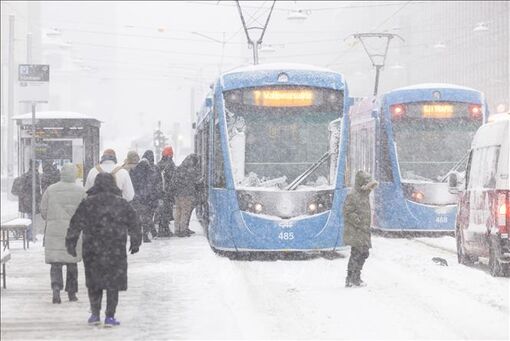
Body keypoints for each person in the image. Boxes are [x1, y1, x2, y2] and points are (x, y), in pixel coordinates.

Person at [66, 173, 142, 327]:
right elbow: (134, 223)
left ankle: (95, 314)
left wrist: (71, 242)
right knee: (112, 284)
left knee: (94, 282)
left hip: (92, 249)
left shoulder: (87, 203)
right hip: (115, 249)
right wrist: (135, 242)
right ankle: (110, 316)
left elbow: (75, 224)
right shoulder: (121, 203)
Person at [40, 164, 86, 304]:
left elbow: (43, 210)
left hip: (54, 231)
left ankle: (56, 288)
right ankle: (71, 293)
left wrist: (53, 219)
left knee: (56, 262)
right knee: (72, 263)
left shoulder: (51, 189)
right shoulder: (81, 190)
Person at [343, 170, 378, 288]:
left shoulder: (365, 195)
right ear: (361, 183)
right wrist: (358, 221)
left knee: (364, 253)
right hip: (355, 230)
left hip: (363, 229)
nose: (369, 188)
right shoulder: (352, 195)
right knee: (356, 253)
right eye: (367, 184)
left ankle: (355, 277)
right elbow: (347, 212)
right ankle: (351, 278)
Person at [129, 150, 162, 242]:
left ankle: (148, 233)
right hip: (149, 197)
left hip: (138, 197)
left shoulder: (134, 170)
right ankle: (146, 235)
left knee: (143, 216)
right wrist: (157, 195)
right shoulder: (152, 169)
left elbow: (132, 183)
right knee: (148, 216)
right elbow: (155, 183)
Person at [169, 154, 201, 237]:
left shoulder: (179, 168)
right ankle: (183, 230)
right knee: (185, 212)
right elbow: (196, 181)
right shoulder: (191, 170)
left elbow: (173, 181)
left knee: (178, 211)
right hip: (187, 194)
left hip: (177, 194)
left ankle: (177, 229)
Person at [11, 159, 41, 242]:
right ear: (35, 166)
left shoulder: (27, 175)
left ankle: (29, 235)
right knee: (31, 219)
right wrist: (38, 199)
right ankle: (30, 236)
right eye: (37, 165)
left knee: (30, 218)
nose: (38, 166)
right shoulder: (34, 175)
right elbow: (36, 189)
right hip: (31, 200)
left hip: (27, 200)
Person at [157, 146, 176, 237]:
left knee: (162, 211)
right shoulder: (170, 164)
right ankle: (164, 230)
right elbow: (173, 178)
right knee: (166, 211)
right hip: (167, 191)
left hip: (160, 191)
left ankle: (162, 228)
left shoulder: (159, 164)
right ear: (170, 155)